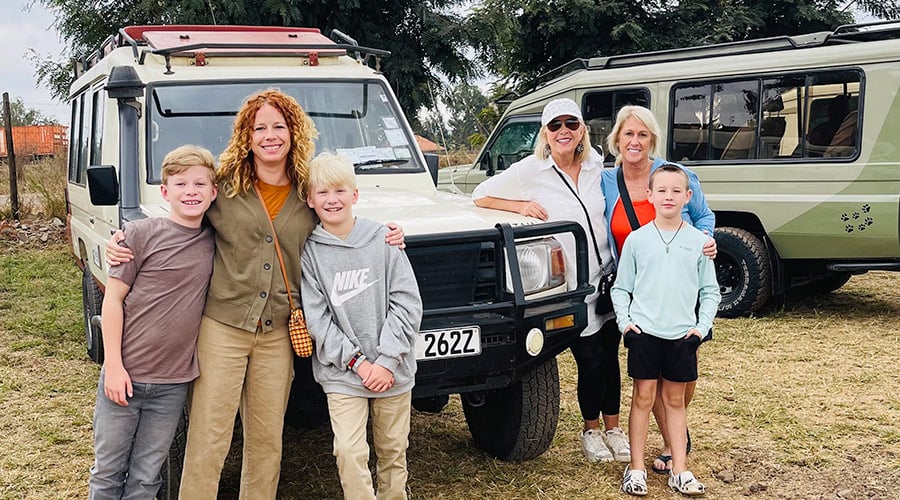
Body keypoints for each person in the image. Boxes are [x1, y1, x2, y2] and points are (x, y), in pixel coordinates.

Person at [105, 89, 405, 498]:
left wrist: (388, 232)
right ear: (246, 135)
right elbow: (181, 215)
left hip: (279, 333)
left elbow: (342, 216)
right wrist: (126, 240)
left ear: (293, 132)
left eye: (278, 126)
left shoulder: (307, 190)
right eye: (259, 127)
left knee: (267, 441)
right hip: (222, 329)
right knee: (210, 434)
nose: (269, 135)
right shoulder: (224, 187)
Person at [472, 98, 631, 463]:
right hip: (574, 284)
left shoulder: (595, 166)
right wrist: (520, 207)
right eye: (555, 125)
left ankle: (614, 428)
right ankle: (591, 431)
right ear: (545, 133)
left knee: (610, 359)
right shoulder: (532, 170)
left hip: (608, 278)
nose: (564, 132)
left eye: (571, 124)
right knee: (589, 361)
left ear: (582, 131)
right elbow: (481, 195)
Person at [89, 145, 218, 498]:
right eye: (180, 184)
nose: (190, 191)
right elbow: (113, 300)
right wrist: (113, 366)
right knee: (108, 471)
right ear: (165, 192)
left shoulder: (216, 242)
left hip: (172, 383)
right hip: (125, 375)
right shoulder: (139, 235)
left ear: (213, 192)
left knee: (147, 476)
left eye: (199, 184)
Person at [601, 105, 716, 475]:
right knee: (648, 381)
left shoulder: (677, 177)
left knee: (682, 378)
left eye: (643, 135)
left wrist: (707, 242)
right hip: (638, 286)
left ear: (653, 140)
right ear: (616, 138)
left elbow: (703, 217)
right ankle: (672, 443)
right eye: (628, 134)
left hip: (681, 284)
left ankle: (675, 435)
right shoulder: (605, 181)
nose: (635, 142)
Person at [300, 153, 422, 500]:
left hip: (393, 369)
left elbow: (407, 303)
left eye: (340, 191)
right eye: (322, 193)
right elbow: (318, 318)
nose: (332, 200)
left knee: (392, 451)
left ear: (354, 194)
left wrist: (385, 361)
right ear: (310, 199)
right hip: (343, 373)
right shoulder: (310, 252)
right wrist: (358, 363)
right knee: (350, 452)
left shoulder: (383, 239)